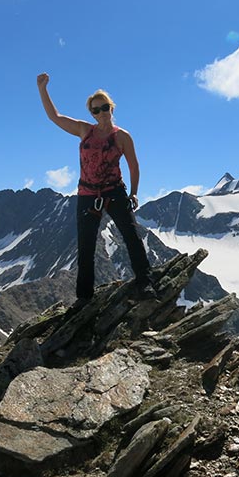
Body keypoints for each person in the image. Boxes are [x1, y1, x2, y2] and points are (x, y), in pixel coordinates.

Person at [36, 72, 152, 304]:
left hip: (114, 191)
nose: (100, 113)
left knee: (131, 236)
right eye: (95, 110)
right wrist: (42, 89)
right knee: (86, 245)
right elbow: (54, 116)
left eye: (104, 107)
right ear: (91, 113)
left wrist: (135, 192)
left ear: (112, 108)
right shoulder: (83, 130)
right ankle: (84, 298)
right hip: (87, 194)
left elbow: (134, 165)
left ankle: (146, 283)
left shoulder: (123, 137)